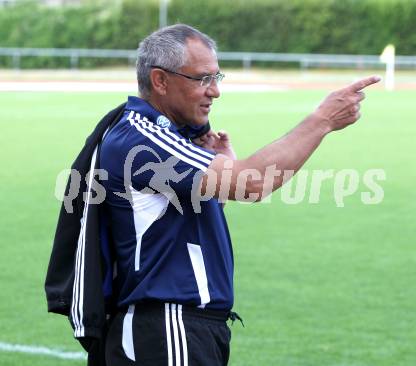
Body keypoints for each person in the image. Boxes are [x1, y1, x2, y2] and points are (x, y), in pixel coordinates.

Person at [49, 24, 380, 366]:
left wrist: (224, 166)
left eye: (217, 77)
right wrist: (323, 119)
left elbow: (185, 216)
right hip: (168, 328)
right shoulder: (142, 138)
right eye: (202, 79)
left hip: (184, 328)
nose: (215, 91)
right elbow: (255, 183)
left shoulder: (166, 136)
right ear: (160, 80)